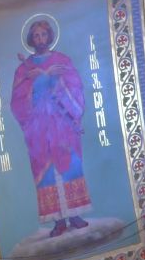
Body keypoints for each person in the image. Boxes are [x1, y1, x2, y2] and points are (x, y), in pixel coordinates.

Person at [11, 15, 90, 237]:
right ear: (30, 39)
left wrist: (55, 79)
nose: (40, 38)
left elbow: (75, 86)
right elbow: (17, 101)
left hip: (62, 124)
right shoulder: (24, 69)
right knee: (46, 172)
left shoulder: (62, 60)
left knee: (70, 165)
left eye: (43, 34)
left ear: (50, 36)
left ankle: (74, 215)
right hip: (39, 128)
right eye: (36, 35)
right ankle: (58, 221)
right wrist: (34, 81)